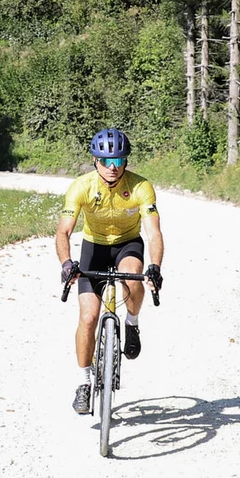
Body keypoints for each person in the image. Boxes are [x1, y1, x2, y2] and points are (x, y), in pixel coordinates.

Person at [56, 128, 164, 415]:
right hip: (94, 248)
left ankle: (132, 322)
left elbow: (153, 233)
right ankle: (83, 383)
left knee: (133, 276)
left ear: (126, 162)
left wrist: (155, 267)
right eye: (106, 161)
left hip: (128, 244)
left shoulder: (141, 187)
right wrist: (67, 264)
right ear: (95, 160)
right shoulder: (81, 187)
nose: (113, 168)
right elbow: (64, 232)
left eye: (119, 161)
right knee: (89, 317)